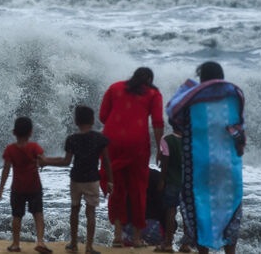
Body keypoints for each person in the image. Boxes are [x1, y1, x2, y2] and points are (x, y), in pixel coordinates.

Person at [166, 61, 245, 254]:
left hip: (199, 168)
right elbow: (240, 135)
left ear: (202, 79)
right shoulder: (234, 96)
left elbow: (173, 116)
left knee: (200, 211)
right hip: (229, 170)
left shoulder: (190, 100)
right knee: (229, 211)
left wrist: (188, 90)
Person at [99, 67, 164, 247]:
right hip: (137, 144)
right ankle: (136, 238)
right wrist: (160, 148)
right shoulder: (153, 93)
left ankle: (117, 236)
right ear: (149, 79)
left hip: (112, 141)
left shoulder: (114, 88)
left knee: (116, 188)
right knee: (137, 189)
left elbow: (103, 116)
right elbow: (158, 123)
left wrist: (119, 125)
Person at [39, 105, 113, 254]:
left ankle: (73, 243)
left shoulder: (72, 139)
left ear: (76, 121)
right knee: (90, 212)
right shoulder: (100, 139)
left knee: (74, 210)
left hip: (76, 179)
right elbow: (106, 161)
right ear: (93, 120)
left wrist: (46, 161)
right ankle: (89, 247)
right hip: (92, 179)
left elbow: (66, 161)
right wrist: (110, 181)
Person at [0, 117, 52, 254]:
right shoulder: (34, 147)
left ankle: (15, 244)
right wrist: (43, 162)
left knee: (17, 216)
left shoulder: (10, 149)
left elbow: (6, 169)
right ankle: (40, 241)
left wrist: (1, 189)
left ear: (14, 132)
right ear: (31, 132)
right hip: (34, 186)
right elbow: (43, 160)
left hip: (17, 188)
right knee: (38, 214)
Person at [155, 129, 183, 253]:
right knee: (186, 213)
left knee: (171, 212)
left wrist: (161, 180)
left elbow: (165, 162)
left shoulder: (167, 140)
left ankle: (168, 243)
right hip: (187, 182)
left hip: (171, 181)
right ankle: (186, 244)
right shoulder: (190, 140)